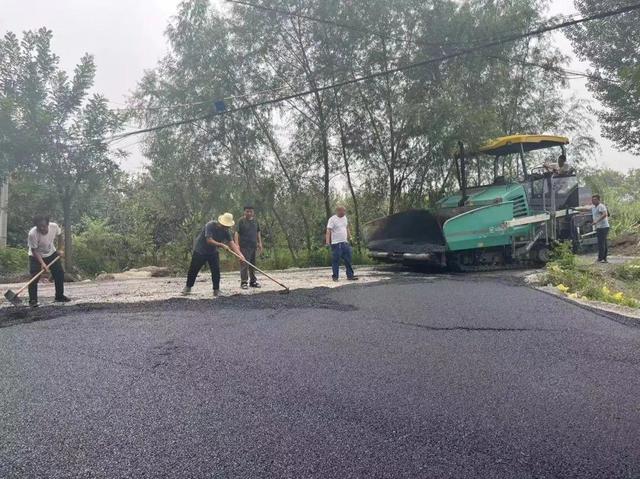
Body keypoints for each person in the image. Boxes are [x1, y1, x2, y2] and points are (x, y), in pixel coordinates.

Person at [182, 213, 245, 297]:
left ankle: (216, 290)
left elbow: (232, 243)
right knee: (194, 269)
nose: (226, 228)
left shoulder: (226, 231)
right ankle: (188, 287)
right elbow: (209, 240)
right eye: (225, 226)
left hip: (212, 252)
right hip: (200, 250)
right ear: (221, 223)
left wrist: (240, 255)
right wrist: (222, 245)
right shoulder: (210, 225)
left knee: (216, 270)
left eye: (227, 226)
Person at [27, 215, 70, 307]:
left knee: (59, 273)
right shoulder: (32, 234)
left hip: (51, 253)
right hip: (35, 256)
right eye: (39, 227)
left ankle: (59, 296)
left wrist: (60, 249)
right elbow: (34, 250)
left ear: (48, 224)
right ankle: (33, 300)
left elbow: (60, 236)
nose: (42, 228)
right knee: (34, 277)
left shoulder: (54, 226)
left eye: (44, 226)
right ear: (36, 226)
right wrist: (42, 263)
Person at [325, 205, 359, 282]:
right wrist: (327, 242)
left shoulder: (345, 218)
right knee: (336, 261)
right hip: (336, 244)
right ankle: (335, 277)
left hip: (345, 243)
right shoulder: (332, 219)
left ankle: (350, 276)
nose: (343, 212)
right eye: (342, 211)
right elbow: (328, 231)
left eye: (344, 211)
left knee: (348, 260)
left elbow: (347, 228)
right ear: (337, 211)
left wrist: (350, 238)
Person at [235, 205, 263, 290]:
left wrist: (260, 243)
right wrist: (237, 245)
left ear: (253, 212)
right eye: (247, 211)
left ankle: (253, 281)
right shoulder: (241, 221)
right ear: (244, 212)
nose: (249, 213)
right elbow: (236, 233)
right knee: (244, 264)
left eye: (251, 211)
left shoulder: (255, 221)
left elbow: (258, 232)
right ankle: (244, 282)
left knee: (253, 265)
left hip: (253, 246)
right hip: (244, 246)